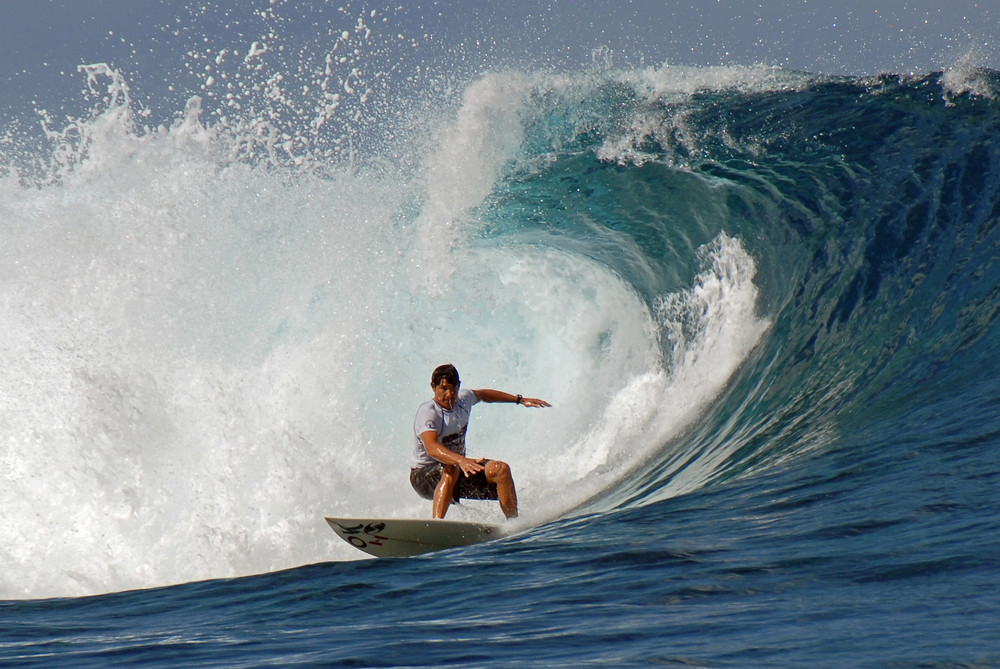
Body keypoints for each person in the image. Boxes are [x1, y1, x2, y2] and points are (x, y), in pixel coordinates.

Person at [410, 363, 550, 519]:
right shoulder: (428, 413)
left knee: (501, 470)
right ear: (433, 387)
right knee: (452, 466)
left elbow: (484, 395)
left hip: (458, 471)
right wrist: (461, 460)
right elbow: (432, 448)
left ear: (459, 386)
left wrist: (519, 400)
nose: (449, 395)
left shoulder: (464, 399)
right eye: (444, 389)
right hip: (423, 478)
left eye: (453, 389)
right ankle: (436, 526)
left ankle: (513, 523)